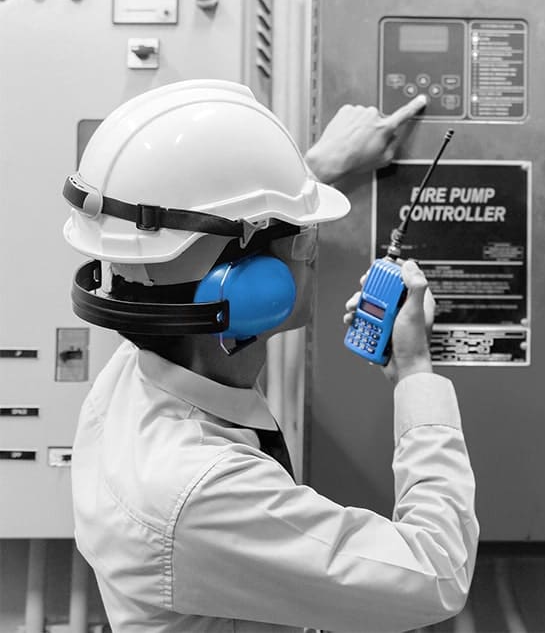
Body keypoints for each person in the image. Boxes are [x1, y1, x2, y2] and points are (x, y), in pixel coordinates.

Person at [60, 79, 478, 632]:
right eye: (302, 235)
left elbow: (196, 238)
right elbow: (437, 573)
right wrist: (416, 373)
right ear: (251, 288)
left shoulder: (133, 376)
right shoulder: (201, 491)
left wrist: (315, 167)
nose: (311, 246)